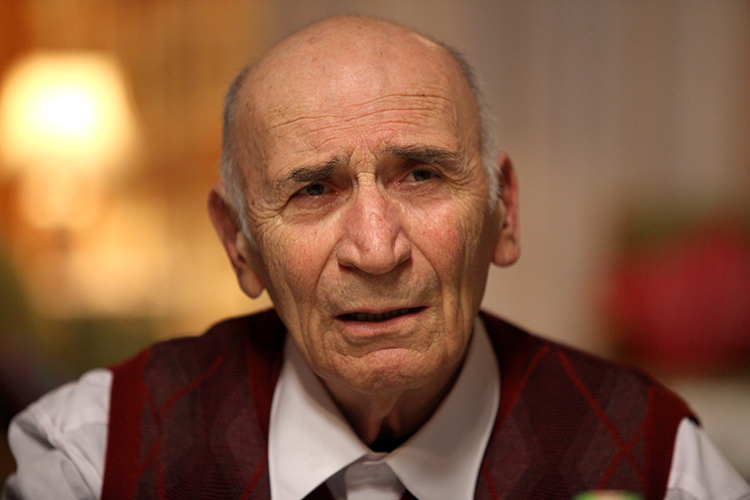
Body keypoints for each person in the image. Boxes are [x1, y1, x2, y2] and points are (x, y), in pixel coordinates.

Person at [3, 14, 749, 500]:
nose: (376, 249)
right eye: (312, 190)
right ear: (239, 245)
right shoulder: (90, 456)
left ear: (505, 213)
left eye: (421, 175)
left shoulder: (662, 465)